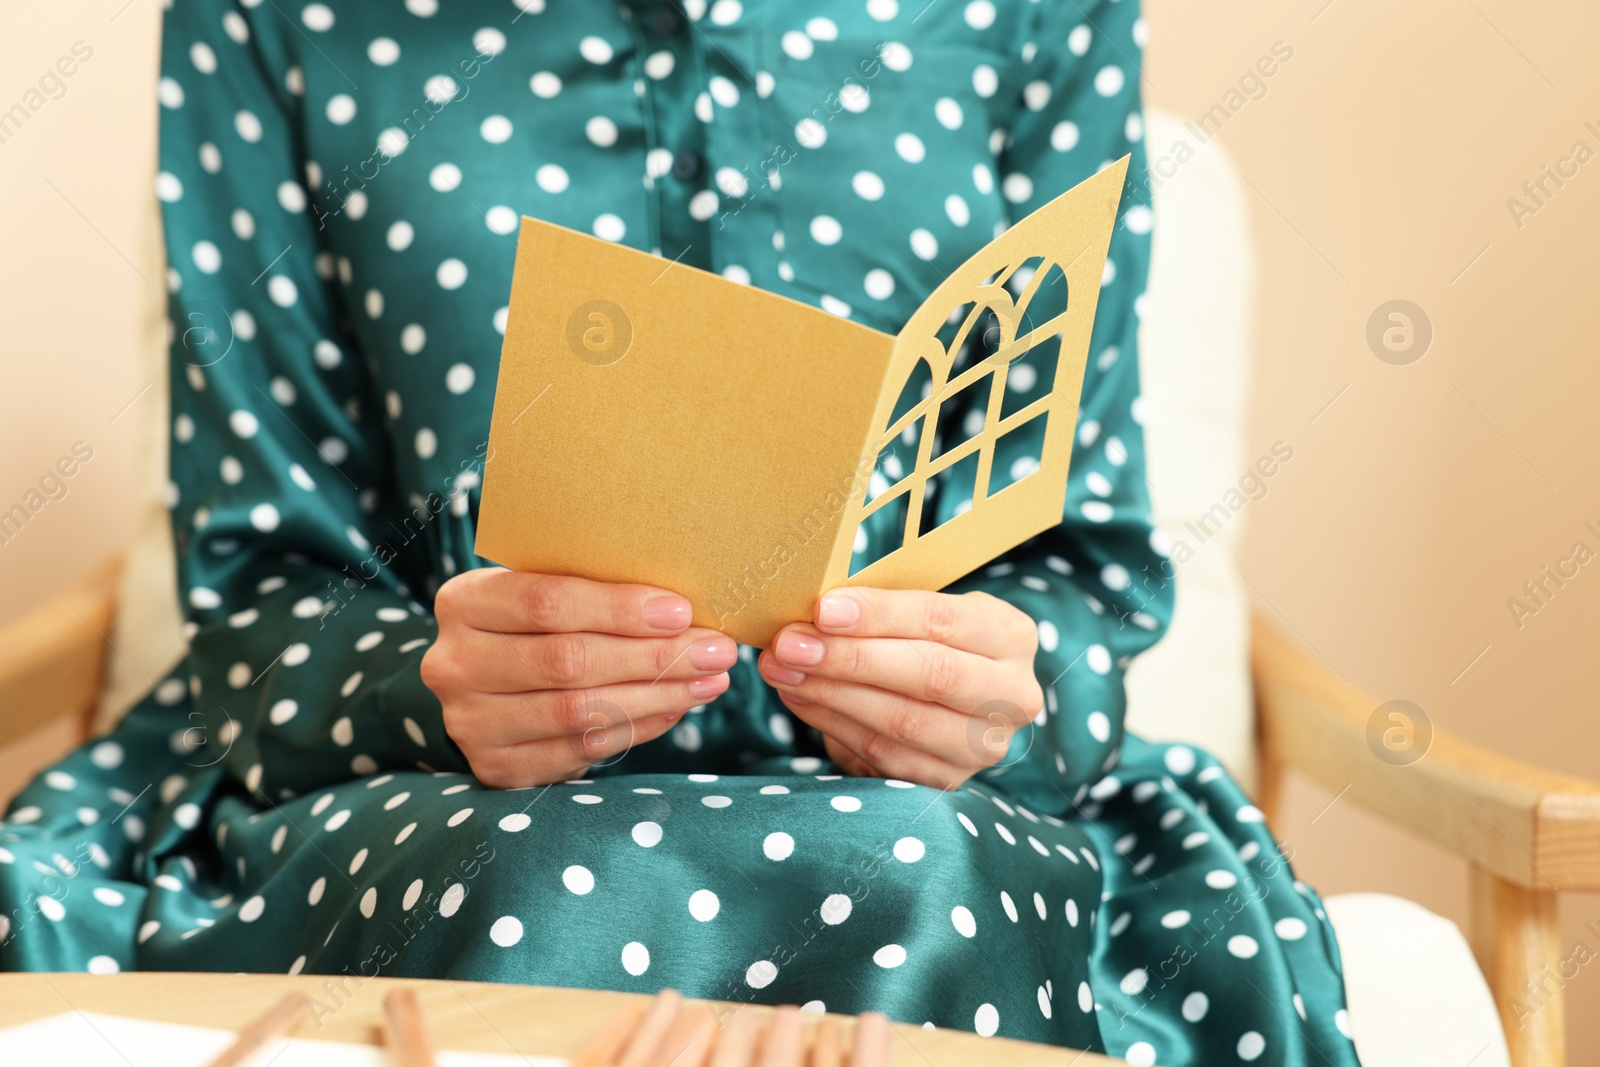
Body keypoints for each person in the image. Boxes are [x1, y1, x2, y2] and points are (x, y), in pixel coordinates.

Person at [0, 2, 1359, 1063]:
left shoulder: (1037, 12)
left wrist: (1005, 695)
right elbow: (253, 603)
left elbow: (1083, 576)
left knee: (914, 874)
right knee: (534, 881)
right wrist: (427, 687)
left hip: (936, 813)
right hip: (431, 801)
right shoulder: (272, 14)